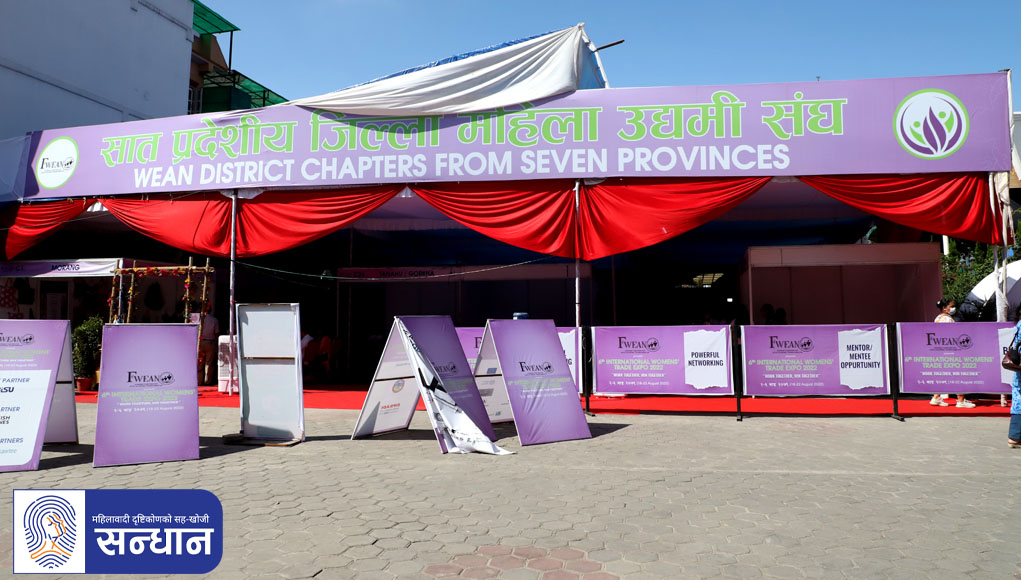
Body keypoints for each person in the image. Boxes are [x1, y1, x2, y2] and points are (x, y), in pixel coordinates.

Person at [930, 298, 975, 408]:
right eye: (951, 306)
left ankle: (936, 397)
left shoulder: (938, 318)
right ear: (944, 308)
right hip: (951, 351)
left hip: (941, 351)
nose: (953, 308)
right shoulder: (947, 320)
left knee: (942, 375)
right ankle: (961, 400)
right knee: (960, 374)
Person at [199, 303, 219, 386]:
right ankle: (207, 381)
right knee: (209, 363)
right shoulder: (214, 320)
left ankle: (199, 380)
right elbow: (217, 333)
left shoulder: (198, 319)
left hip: (200, 342)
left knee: (199, 361)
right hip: (210, 342)